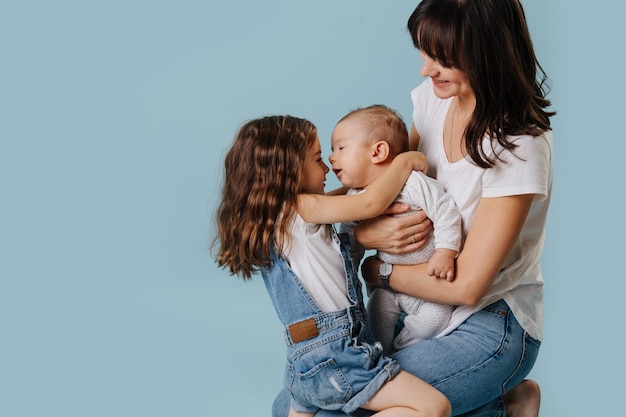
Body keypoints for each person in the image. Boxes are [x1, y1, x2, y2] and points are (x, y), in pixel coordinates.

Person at [272, 0, 554, 416]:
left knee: (340, 406)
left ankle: (496, 396)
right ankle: (496, 405)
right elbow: (394, 191)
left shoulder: (518, 147)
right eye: (424, 52)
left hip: (488, 322)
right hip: (411, 304)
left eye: (441, 59)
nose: (425, 69)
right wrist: (367, 236)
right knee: (294, 403)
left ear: (485, 51)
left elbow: (466, 287)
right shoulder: (433, 99)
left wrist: (377, 271)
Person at [214, 115, 451, 417]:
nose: (327, 167)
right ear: (288, 171)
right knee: (434, 408)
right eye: (316, 159)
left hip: (302, 362)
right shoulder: (302, 209)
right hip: (337, 353)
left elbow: (351, 197)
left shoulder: (274, 220)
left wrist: (366, 182)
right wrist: (402, 165)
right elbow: (369, 204)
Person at [330, 104, 462, 355]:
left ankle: (400, 350)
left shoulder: (412, 183)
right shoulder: (355, 196)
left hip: (429, 285)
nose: (332, 157)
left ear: (378, 151)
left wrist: (445, 252)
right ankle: (380, 353)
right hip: (388, 290)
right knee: (374, 321)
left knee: (436, 319)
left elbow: (445, 210)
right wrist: (350, 269)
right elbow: (349, 239)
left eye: (341, 148)